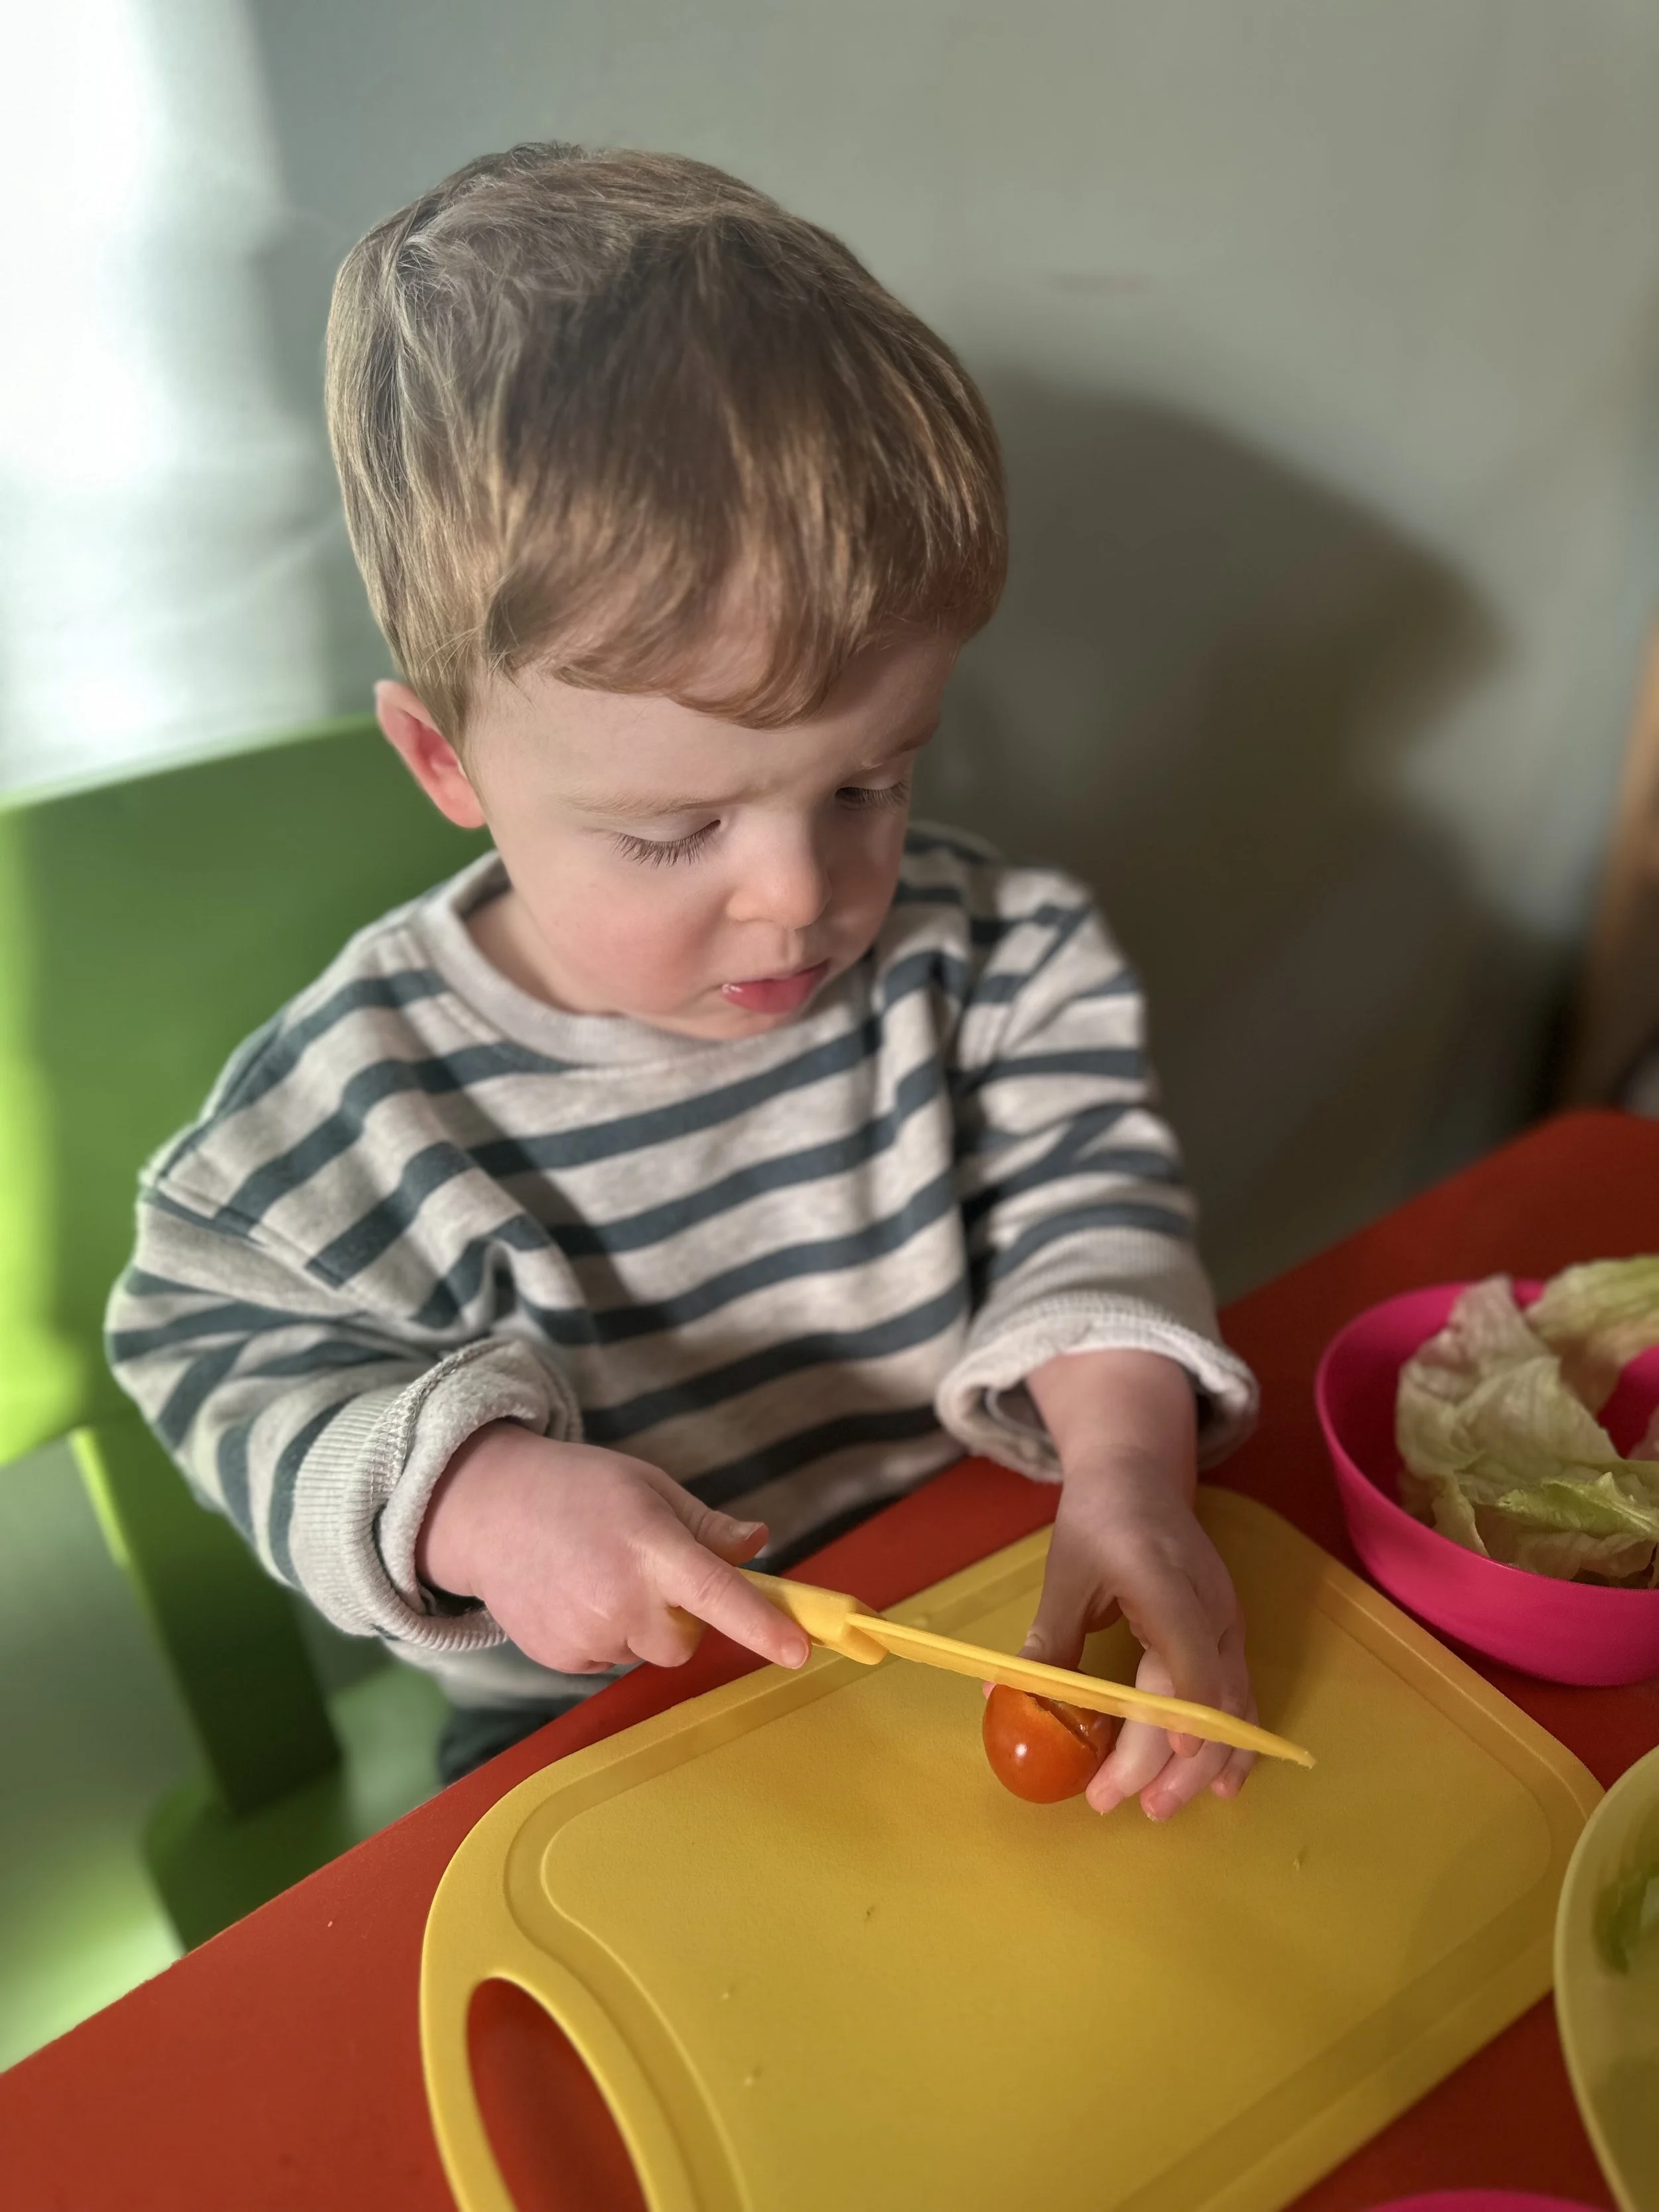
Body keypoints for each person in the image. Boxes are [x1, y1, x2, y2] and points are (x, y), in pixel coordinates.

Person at [106, 142, 1260, 1810]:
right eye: (670, 833)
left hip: (960, 1599)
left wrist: (1130, 1469)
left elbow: (1086, 1203)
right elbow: (208, 1339)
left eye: (869, 783)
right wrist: (478, 1499)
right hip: (587, 1745)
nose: (799, 899)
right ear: (444, 759)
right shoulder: (352, 1118)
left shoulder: (993, 958)